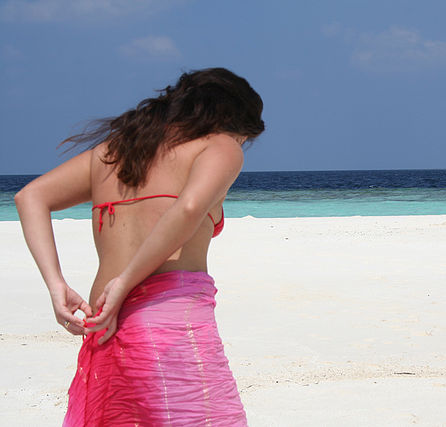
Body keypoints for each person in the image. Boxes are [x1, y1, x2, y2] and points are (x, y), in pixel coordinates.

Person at [14, 67, 265, 426]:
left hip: (104, 325)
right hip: (170, 318)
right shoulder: (220, 145)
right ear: (231, 121)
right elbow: (189, 208)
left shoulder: (113, 153)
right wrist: (126, 282)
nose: (242, 145)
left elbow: (30, 197)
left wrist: (57, 287)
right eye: (246, 137)